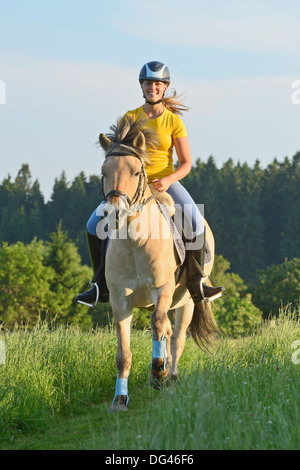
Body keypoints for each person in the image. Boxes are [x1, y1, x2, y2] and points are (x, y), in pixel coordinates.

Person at [75, 61, 224, 307]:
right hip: (131, 185)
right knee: (93, 225)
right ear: (141, 86)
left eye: (157, 84)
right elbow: (119, 153)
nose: (152, 87)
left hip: (164, 183)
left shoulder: (174, 121)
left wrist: (168, 179)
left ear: (164, 88)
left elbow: (186, 163)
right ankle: (100, 284)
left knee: (196, 220)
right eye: (148, 83)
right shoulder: (130, 117)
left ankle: (197, 282)